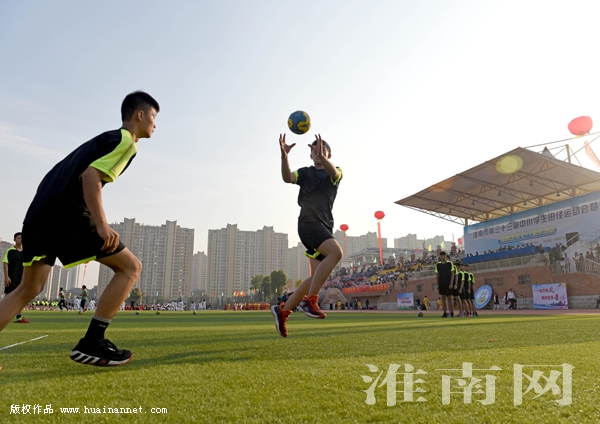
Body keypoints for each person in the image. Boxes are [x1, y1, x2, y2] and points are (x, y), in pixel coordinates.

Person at [0, 91, 158, 367]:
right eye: (154, 117)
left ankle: (92, 342)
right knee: (131, 267)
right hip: (66, 214)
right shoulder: (126, 141)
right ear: (140, 115)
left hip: (39, 214)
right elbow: (90, 176)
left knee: (28, 288)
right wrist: (102, 225)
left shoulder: (102, 141)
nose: (155, 125)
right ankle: (92, 342)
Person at [271, 134, 343, 337]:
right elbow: (287, 178)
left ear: (328, 154)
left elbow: (334, 172)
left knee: (314, 278)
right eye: (314, 150)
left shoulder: (335, 172)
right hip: (308, 223)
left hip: (324, 227)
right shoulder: (305, 173)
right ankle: (311, 300)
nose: (317, 152)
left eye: (321, 149)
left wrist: (324, 157)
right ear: (310, 155)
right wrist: (284, 156)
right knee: (336, 253)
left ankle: (283, 311)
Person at [2, 232, 30, 323]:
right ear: (14, 240)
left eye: (22, 238)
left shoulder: (26, 252)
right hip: (12, 277)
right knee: (7, 296)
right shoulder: (10, 251)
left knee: (21, 297)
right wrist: (6, 277)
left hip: (22, 278)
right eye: (18, 238)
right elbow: (5, 263)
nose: (20, 240)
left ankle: (19, 317)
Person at [435, 251, 454, 317]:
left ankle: (451, 312)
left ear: (446, 256)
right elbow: (437, 275)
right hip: (441, 283)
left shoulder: (450, 263)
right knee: (443, 298)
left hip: (448, 282)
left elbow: (452, 274)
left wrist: (451, 283)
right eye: (441, 256)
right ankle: (444, 312)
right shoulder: (438, 264)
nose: (442, 257)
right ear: (440, 257)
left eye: (444, 256)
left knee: (449, 298)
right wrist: (437, 284)